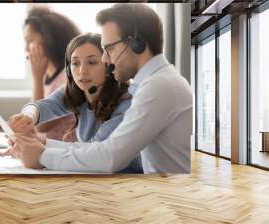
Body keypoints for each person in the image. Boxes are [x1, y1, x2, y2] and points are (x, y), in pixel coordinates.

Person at [12, 3, 193, 174]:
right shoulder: (154, 84)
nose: (106, 59)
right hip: (159, 191)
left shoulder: (158, 87)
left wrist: (43, 156)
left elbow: (110, 156)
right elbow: (107, 152)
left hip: (167, 195)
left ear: (136, 43)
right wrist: (41, 145)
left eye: (109, 49)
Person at [7, 33, 142, 173]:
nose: (82, 71)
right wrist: (28, 117)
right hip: (99, 178)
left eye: (92, 62)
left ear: (109, 66)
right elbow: (43, 106)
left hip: (129, 180)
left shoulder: (127, 103)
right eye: (75, 63)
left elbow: (94, 152)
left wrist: (41, 150)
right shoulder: (78, 90)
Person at [22, 6, 80, 141]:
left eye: (30, 40)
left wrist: (37, 79)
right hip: (49, 151)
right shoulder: (47, 76)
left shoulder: (69, 77)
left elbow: (41, 126)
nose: (26, 48)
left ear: (49, 39)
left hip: (65, 155)